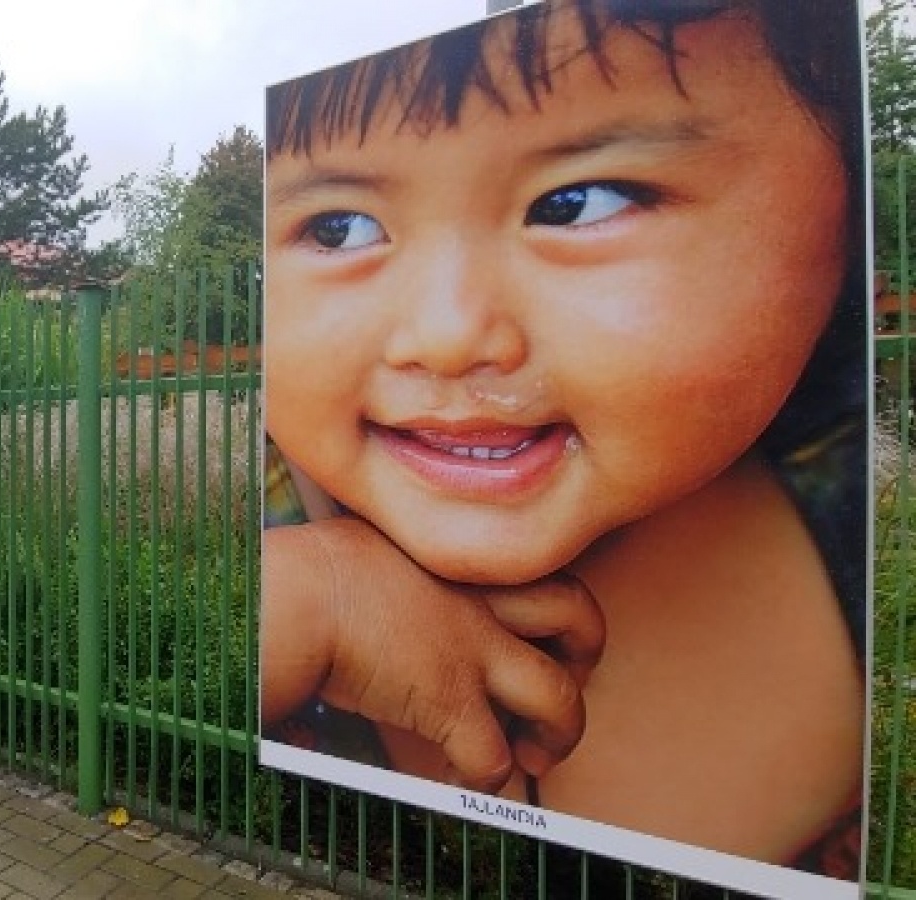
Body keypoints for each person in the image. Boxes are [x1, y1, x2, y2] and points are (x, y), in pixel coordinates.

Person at [260, 0, 865, 876]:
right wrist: (292, 611)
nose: (446, 335)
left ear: (847, 217)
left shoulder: (873, 518)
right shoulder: (255, 536)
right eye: (339, 228)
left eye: (578, 204)